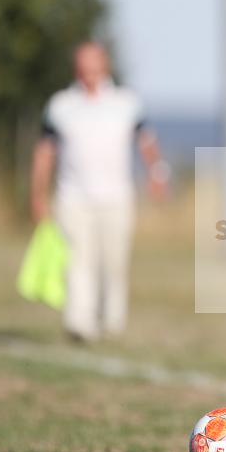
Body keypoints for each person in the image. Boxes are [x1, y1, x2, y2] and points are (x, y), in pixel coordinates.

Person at [30, 41, 169, 342]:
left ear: (105, 65)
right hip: (73, 198)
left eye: (94, 65)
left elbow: (146, 141)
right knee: (79, 260)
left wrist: (157, 174)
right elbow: (45, 152)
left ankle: (111, 318)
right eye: (84, 66)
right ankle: (80, 322)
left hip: (116, 198)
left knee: (114, 262)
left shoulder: (126, 102)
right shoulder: (61, 105)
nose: (89, 72)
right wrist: (38, 195)